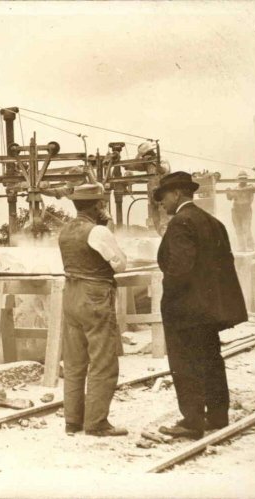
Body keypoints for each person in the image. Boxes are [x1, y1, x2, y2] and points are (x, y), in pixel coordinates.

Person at [154, 171, 248, 439]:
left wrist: (169, 297)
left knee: (185, 364)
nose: (162, 204)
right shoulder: (213, 222)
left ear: (177, 194)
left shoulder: (181, 222)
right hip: (209, 309)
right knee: (210, 359)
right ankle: (218, 415)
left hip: (185, 309)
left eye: (163, 198)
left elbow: (180, 268)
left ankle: (191, 422)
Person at [58, 183, 129, 437]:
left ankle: (72, 421)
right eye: (102, 204)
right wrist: (108, 229)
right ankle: (97, 423)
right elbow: (120, 265)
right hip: (95, 297)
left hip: (71, 294)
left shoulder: (65, 230)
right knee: (103, 361)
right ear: (98, 205)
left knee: (75, 362)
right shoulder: (98, 231)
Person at [137, 141, 171, 235]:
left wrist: (154, 162)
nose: (143, 157)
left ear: (150, 152)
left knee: (164, 213)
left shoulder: (162, 160)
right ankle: (160, 232)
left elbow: (164, 170)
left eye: (144, 155)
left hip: (163, 192)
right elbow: (134, 165)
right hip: (152, 193)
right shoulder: (147, 163)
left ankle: (165, 233)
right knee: (154, 214)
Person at [225, 170, 255, 252]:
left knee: (246, 228)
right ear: (238, 179)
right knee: (238, 229)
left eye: (244, 178)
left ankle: (250, 246)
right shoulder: (235, 189)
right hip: (236, 210)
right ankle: (241, 247)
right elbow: (229, 198)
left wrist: (242, 190)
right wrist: (228, 192)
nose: (242, 180)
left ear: (246, 179)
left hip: (246, 209)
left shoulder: (250, 187)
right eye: (241, 178)